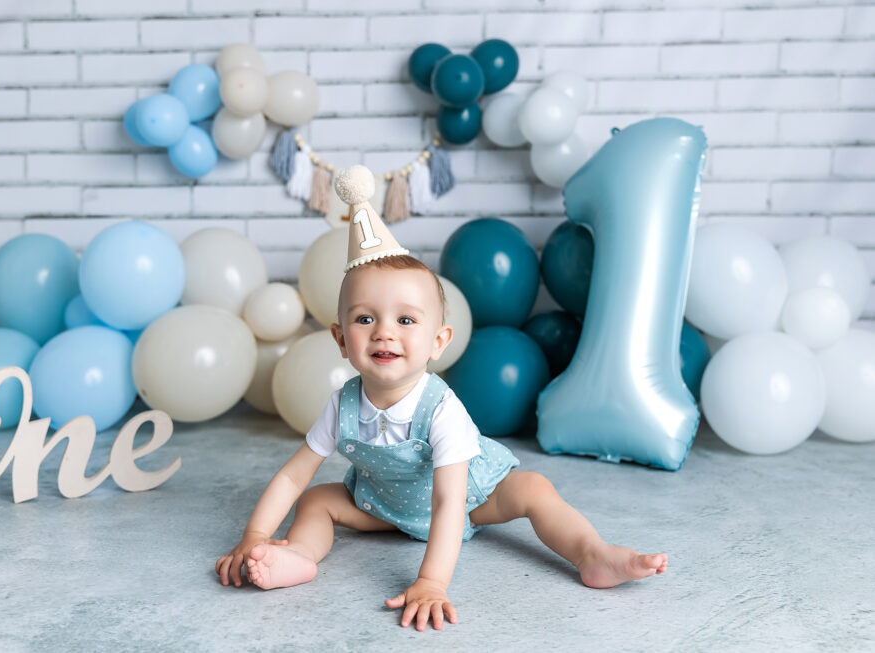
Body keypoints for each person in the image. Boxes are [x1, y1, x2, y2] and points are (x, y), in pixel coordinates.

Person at [215, 166, 667, 632]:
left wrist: (431, 581)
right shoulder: (342, 404)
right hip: (384, 506)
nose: (384, 331)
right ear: (340, 339)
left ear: (438, 341)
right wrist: (254, 535)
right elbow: (291, 477)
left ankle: (591, 554)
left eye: (406, 321)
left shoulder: (442, 408)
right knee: (315, 499)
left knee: (534, 490)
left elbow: (449, 502)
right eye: (365, 319)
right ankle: (299, 556)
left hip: (469, 500)